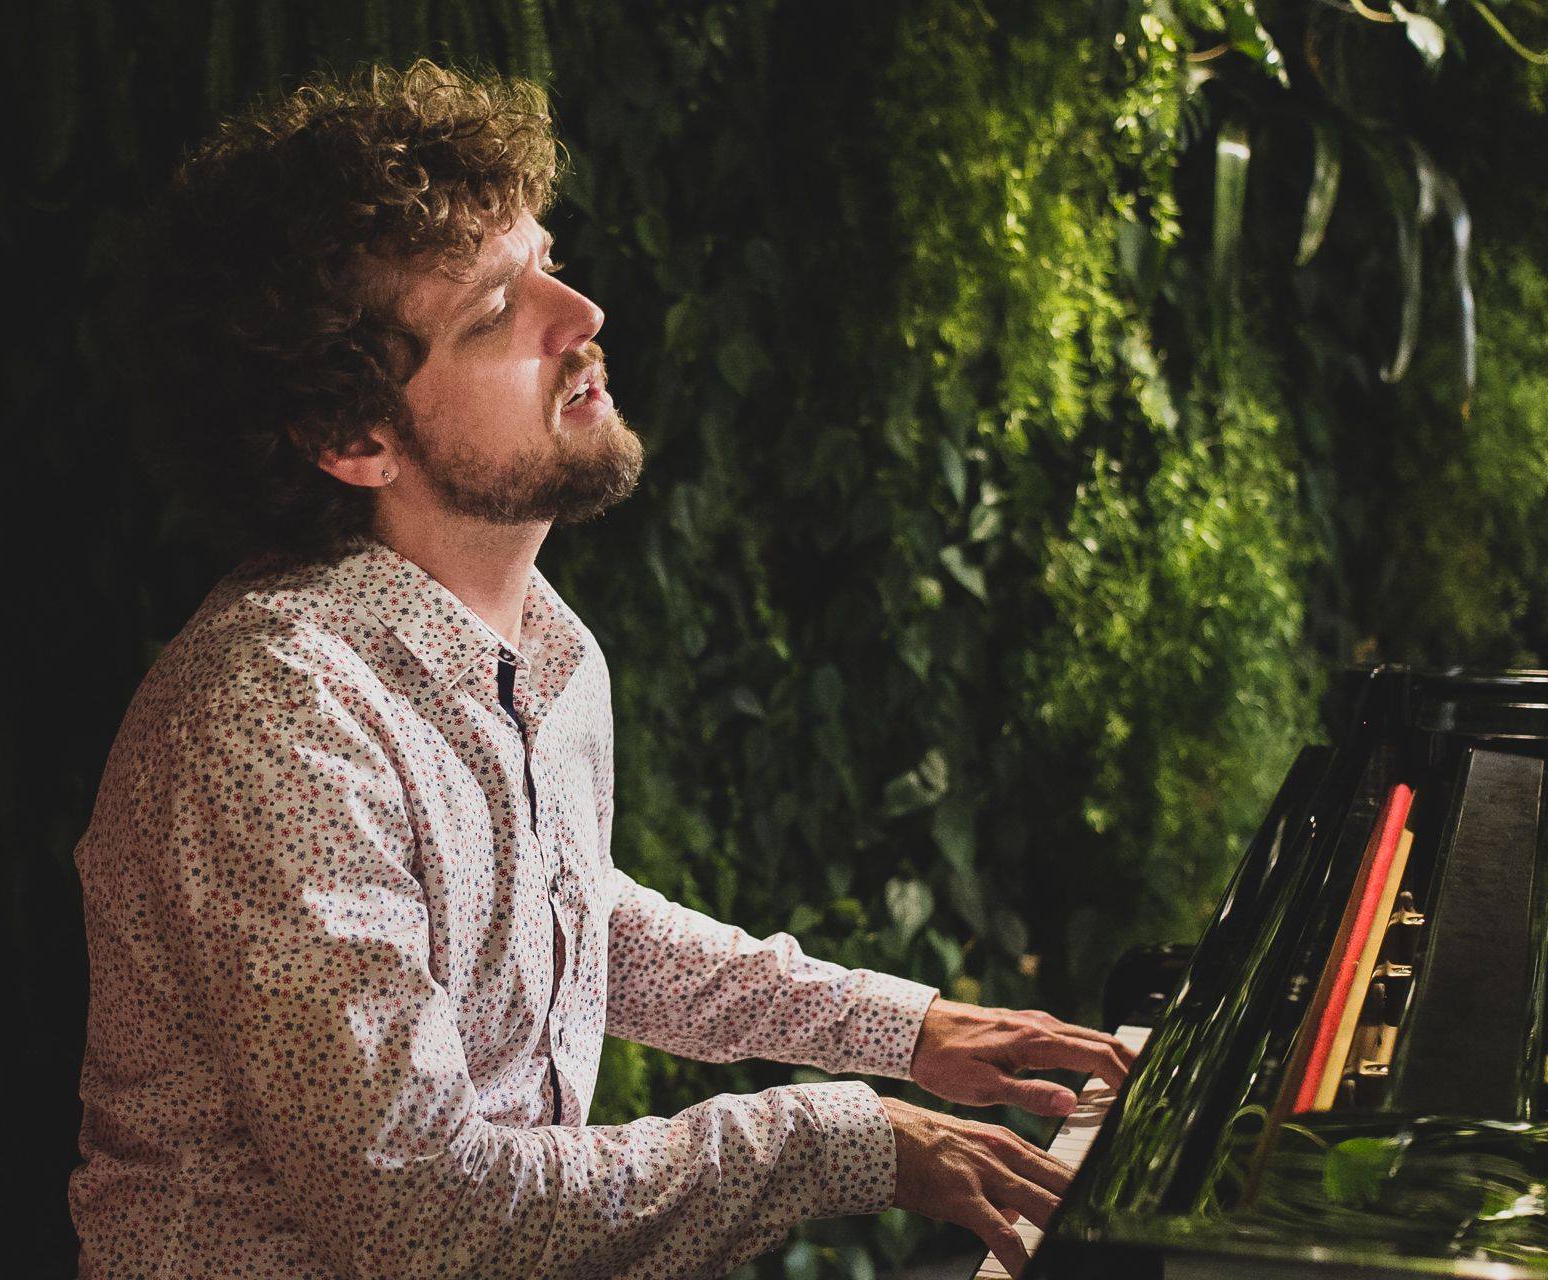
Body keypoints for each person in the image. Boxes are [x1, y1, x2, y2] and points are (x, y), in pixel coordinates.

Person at [68, 58, 1136, 1280]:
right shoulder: (271, 714)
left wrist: (905, 1026)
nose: (579, 317)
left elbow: (566, 925)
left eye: (547, 260)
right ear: (353, 438)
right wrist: (842, 1135)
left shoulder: (548, 643)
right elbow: (422, 1208)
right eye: (494, 313)